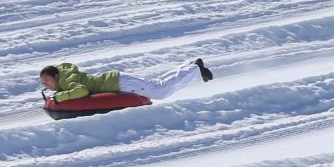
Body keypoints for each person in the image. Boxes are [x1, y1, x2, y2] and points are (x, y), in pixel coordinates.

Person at [41, 57, 213, 103]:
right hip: (117, 79)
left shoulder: (69, 80)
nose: (46, 85)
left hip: (120, 83)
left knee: (161, 91)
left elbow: (81, 91)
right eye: (43, 82)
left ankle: (195, 69)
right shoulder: (65, 80)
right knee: (157, 84)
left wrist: (60, 97)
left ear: (56, 76)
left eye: (47, 80)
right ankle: (189, 65)